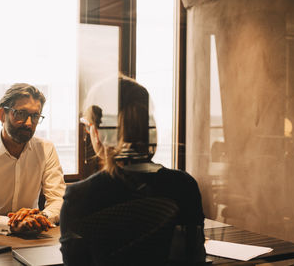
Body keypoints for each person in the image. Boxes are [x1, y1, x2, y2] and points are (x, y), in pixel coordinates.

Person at [60, 76, 205, 265]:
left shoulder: (80, 197)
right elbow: (194, 258)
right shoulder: (184, 185)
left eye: (88, 128)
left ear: (97, 132)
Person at [0, 83, 66, 234]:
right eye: (21, 114)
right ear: (2, 114)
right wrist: (11, 223)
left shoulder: (46, 149)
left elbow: (59, 200)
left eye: (35, 116)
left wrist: (40, 218)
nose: (29, 123)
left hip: (33, 236)